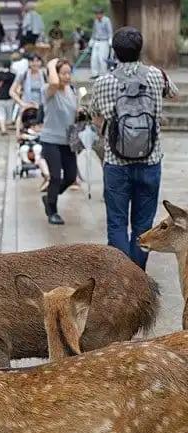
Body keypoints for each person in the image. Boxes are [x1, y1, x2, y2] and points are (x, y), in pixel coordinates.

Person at [89, 26, 179, 270]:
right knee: (143, 224)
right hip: (150, 161)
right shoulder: (156, 76)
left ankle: (121, 279)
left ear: (114, 52)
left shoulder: (103, 82)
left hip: (116, 164)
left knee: (117, 223)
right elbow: (175, 95)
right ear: (140, 49)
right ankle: (138, 276)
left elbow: (94, 114)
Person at [39, 58, 77, 225]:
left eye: (69, 73)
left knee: (70, 176)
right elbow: (54, 82)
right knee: (55, 176)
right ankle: (52, 211)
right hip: (50, 140)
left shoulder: (72, 91)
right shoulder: (48, 90)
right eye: (63, 73)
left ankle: (49, 197)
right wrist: (50, 64)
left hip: (68, 141)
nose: (67, 77)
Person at [10, 53, 47, 134]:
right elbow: (11, 91)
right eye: (32, 61)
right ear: (29, 63)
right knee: (25, 131)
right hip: (26, 108)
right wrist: (22, 104)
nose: (35, 63)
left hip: (41, 107)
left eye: (37, 61)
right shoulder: (23, 74)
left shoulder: (44, 74)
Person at [17, 110, 50, 190]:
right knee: (23, 149)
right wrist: (21, 137)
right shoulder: (26, 132)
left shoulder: (40, 134)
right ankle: (25, 160)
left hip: (36, 145)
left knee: (38, 149)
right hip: (27, 145)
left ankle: (37, 159)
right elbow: (21, 137)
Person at [89, 7, 113, 79]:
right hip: (96, 41)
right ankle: (95, 74)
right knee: (94, 58)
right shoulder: (96, 21)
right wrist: (92, 39)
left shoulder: (106, 20)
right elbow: (94, 31)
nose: (97, 15)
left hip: (104, 42)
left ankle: (103, 74)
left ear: (102, 14)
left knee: (102, 58)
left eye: (98, 14)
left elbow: (110, 31)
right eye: (96, 14)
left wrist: (110, 39)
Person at [0, 60, 16, 135]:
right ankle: (5, 129)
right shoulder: (12, 75)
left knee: (1, 114)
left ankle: (3, 129)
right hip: (9, 97)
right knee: (9, 115)